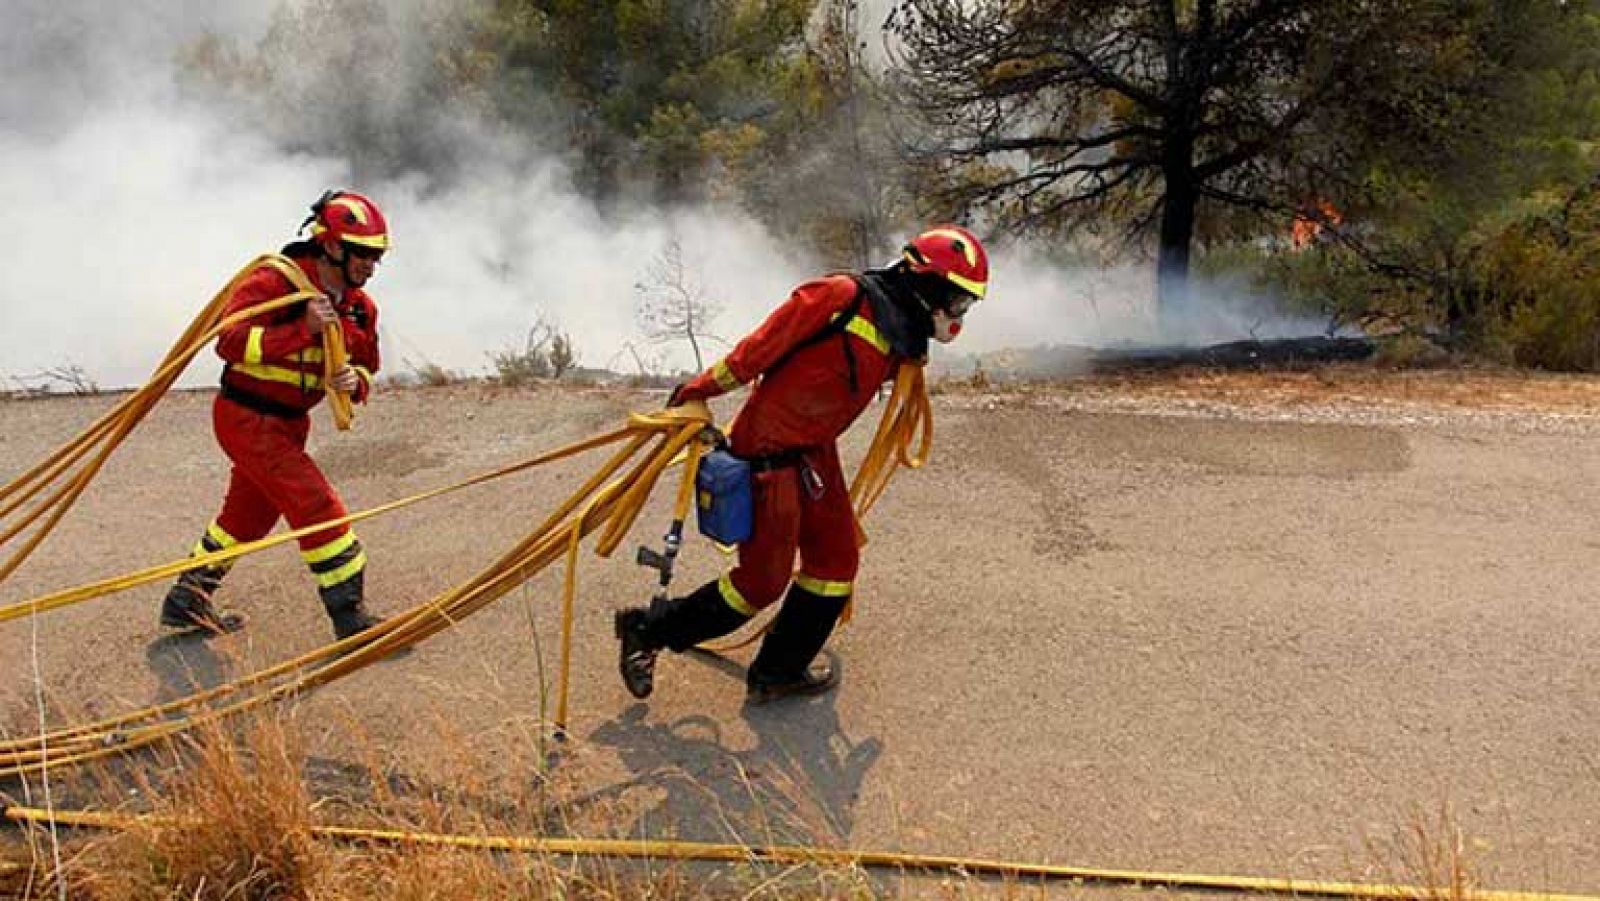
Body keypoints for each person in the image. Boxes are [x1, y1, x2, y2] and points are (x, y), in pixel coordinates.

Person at [615, 225, 989, 703]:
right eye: (959, 301)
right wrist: (698, 391)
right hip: (767, 455)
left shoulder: (903, 334)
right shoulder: (839, 297)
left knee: (836, 563)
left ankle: (778, 670)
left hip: (815, 452)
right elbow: (757, 350)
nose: (960, 314)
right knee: (760, 583)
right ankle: (647, 631)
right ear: (930, 284)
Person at [159, 189, 390, 640]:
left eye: (375, 256)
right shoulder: (277, 283)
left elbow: (366, 364)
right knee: (317, 507)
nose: (368, 265)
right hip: (247, 417)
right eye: (360, 253)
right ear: (330, 245)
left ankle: (188, 600)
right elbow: (229, 342)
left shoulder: (359, 307)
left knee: (247, 518)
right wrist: (301, 329)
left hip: (288, 424)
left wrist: (354, 382)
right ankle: (351, 619)